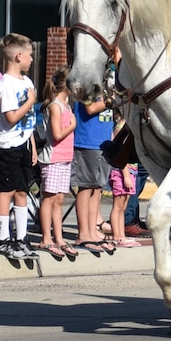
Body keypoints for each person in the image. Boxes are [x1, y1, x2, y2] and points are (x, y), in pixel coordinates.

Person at [0, 33, 38, 255]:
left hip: (23, 145)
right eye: (30, 55)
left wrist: (33, 146)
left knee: (22, 191)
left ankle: (22, 237)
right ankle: (3, 237)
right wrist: (30, 101)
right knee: (6, 191)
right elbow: (10, 117)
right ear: (19, 56)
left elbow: (28, 122)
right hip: (7, 147)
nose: (31, 59)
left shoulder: (27, 82)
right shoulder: (6, 84)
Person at [38, 70, 76, 259]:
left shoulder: (66, 105)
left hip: (65, 157)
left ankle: (59, 237)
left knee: (60, 200)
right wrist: (72, 125)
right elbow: (57, 134)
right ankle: (46, 237)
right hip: (53, 158)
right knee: (49, 198)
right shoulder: (55, 106)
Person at [70, 87, 112, 252]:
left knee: (97, 188)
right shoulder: (89, 84)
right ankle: (83, 233)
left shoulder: (106, 86)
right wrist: (109, 101)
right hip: (88, 141)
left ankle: (92, 229)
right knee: (86, 187)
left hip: (104, 140)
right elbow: (90, 108)